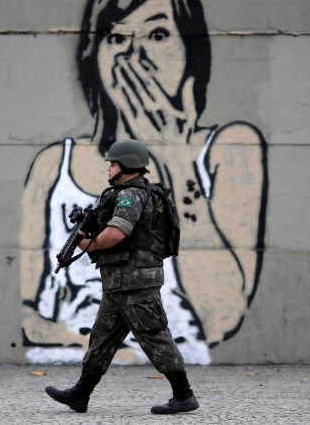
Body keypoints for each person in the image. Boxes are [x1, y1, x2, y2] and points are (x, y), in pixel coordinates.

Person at [20, 0, 266, 365]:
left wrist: (176, 156)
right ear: (94, 58)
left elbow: (222, 315)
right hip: (99, 310)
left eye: (157, 33)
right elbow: (32, 312)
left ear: (192, 52)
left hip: (140, 292)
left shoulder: (232, 148)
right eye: (116, 38)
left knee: (146, 336)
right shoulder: (54, 164)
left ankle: (176, 391)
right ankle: (84, 390)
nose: (136, 55)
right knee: (105, 337)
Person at [44, 138, 199, 415]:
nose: (109, 168)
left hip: (135, 281)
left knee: (153, 334)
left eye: (113, 163)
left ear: (127, 164)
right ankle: (80, 394)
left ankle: (184, 395)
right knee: (103, 337)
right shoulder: (132, 192)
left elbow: (117, 233)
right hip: (120, 282)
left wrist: (89, 244)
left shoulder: (131, 195)